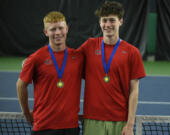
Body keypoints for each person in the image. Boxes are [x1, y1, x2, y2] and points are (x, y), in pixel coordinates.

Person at [78, 1, 146, 135]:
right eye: (104, 20)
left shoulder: (132, 52)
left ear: (120, 21)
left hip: (120, 120)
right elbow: (67, 60)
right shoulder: (89, 46)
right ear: (99, 22)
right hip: (92, 119)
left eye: (112, 20)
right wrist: (34, 61)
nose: (108, 25)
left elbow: (134, 91)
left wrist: (130, 124)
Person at [16, 11, 84, 135]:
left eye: (60, 28)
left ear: (67, 29)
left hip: (71, 127)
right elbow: (20, 85)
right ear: (46, 32)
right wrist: (26, 113)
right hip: (44, 127)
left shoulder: (77, 57)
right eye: (53, 29)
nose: (57, 32)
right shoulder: (36, 58)